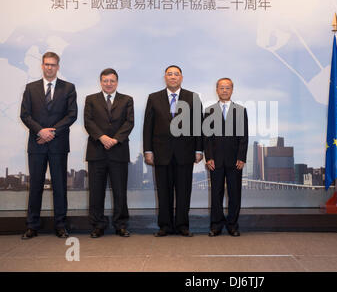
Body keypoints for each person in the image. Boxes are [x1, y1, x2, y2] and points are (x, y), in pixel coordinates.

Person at [20, 52, 77, 239]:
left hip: (58, 144)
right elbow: (25, 115)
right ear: (42, 66)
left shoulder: (68, 88)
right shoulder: (30, 88)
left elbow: (71, 115)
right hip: (36, 144)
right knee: (35, 185)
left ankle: (61, 225)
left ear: (58, 66)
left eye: (53, 64)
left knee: (60, 186)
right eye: (46, 64)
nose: (49, 67)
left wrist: (51, 132)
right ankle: (32, 226)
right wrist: (41, 131)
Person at [143, 65, 203, 237]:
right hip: (161, 152)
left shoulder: (193, 97)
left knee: (184, 191)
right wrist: (148, 150)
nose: (173, 77)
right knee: (163, 191)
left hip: (185, 151)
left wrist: (199, 149)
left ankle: (183, 225)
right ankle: (165, 226)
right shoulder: (154, 98)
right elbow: (148, 126)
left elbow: (198, 126)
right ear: (165, 77)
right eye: (170, 74)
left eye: (176, 74)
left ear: (181, 77)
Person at [84, 68, 134, 238]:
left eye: (112, 81)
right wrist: (102, 137)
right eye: (105, 80)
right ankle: (98, 225)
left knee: (120, 191)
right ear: (100, 82)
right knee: (96, 192)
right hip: (97, 151)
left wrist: (114, 139)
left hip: (118, 151)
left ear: (117, 82)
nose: (109, 84)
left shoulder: (127, 100)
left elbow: (129, 123)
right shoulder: (91, 99)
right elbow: (88, 122)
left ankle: (120, 225)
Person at [204, 78, 248, 237]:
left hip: (235, 160)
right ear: (216, 89)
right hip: (215, 160)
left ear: (232, 90)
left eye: (227, 88)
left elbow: (243, 136)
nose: (224, 90)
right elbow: (207, 137)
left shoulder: (241, 110)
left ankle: (232, 225)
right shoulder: (209, 111)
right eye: (221, 88)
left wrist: (242, 157)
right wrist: (208, 157)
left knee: (234, 193)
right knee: (216, 193)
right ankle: (216, 225)